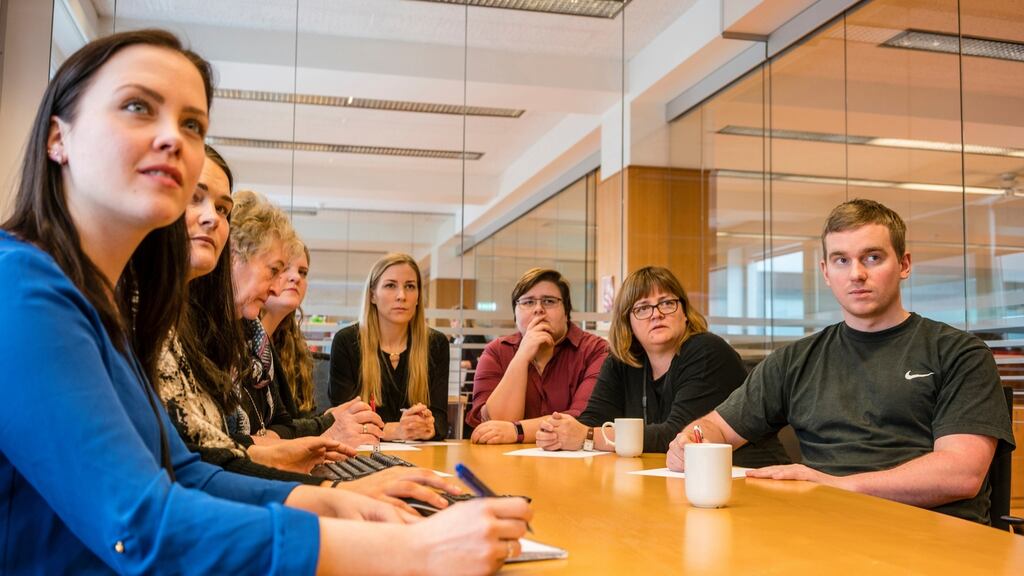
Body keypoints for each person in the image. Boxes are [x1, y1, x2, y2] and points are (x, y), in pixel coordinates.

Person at [0, 29, 530, 573]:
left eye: (192, 125)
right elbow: (139, 528)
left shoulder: (109, 305)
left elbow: (185, 473)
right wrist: (410, 552)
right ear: (58, 137)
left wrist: (334, 503)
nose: (173, 139)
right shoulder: (20, 289)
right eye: (138, 107)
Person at [666, 199, 1015, 524]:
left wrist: (835, 484)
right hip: (827, 526)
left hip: (931, 534)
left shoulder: (959, 353)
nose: (856, 274)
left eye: (873, 257)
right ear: (825, 270)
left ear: (904, 264)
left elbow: (961, 473)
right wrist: (690, 442)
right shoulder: (795, 360)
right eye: (841, 260)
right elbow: (716, 428)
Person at [159, 146, 459, 512]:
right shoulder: (162, 326)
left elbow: (214, 454)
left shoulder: (220, 334)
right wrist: (329, 485)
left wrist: (284, 451)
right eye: (275, 271)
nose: (280, 285)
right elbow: (205, 461)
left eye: (222, 209)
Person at [535, 267, 789, 466]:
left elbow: (676, 435)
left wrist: (587, 436)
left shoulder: (707, 351)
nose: (657, 314)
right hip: (669, 481)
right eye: (643, 308)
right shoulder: (621, 361)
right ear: (628, 322)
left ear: (685, 312)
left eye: (667, 303)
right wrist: (560, 431)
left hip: (746, 479)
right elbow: (593, 419)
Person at [228, 190, 385, 448]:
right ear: (234, 256)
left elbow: (282, 424)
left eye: (302, 271)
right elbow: (222, 447)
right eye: (276, 270)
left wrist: (317, 427)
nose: (285, 283)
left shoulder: (264, 340)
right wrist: (326, 425)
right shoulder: (226, 336)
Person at [467, 268, 609, 444]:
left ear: (566, 312)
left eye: (549, 301)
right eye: (528, 302)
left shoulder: (595, 350)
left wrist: (517, 431)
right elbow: (494, 427)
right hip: (506, 463)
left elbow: (581, 421)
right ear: (515, 314)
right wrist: (522, 356)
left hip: (573, 465)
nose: (538, 309)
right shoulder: (496, 352)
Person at [330, 253, 450, 441]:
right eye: (390, 285)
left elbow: (441, 420)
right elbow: (341, 421)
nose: (401, 296)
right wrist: (392, 430)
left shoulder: (436, 344)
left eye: (410, 286)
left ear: (418, 297)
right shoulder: (347, 342)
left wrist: (427, 427)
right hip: (362, 455)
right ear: (372, 296)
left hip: (419, 456)